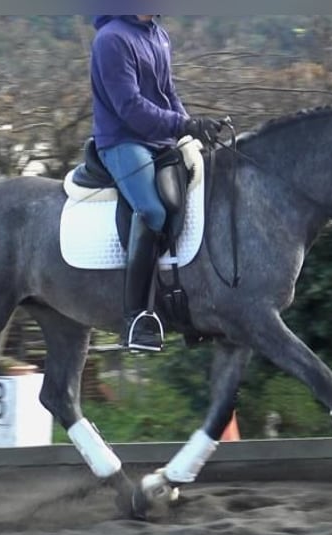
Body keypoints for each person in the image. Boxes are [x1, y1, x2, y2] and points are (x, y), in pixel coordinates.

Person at [90, 15, 222, 352]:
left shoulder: (158, 35)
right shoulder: (112, 39)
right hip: (123, 140)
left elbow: (167, 93)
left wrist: (191, 126)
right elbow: (130, 107)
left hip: (160, 140)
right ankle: (136, 319)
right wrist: (183, 124)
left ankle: (190, 305)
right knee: (151, 211)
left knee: (201, 191)